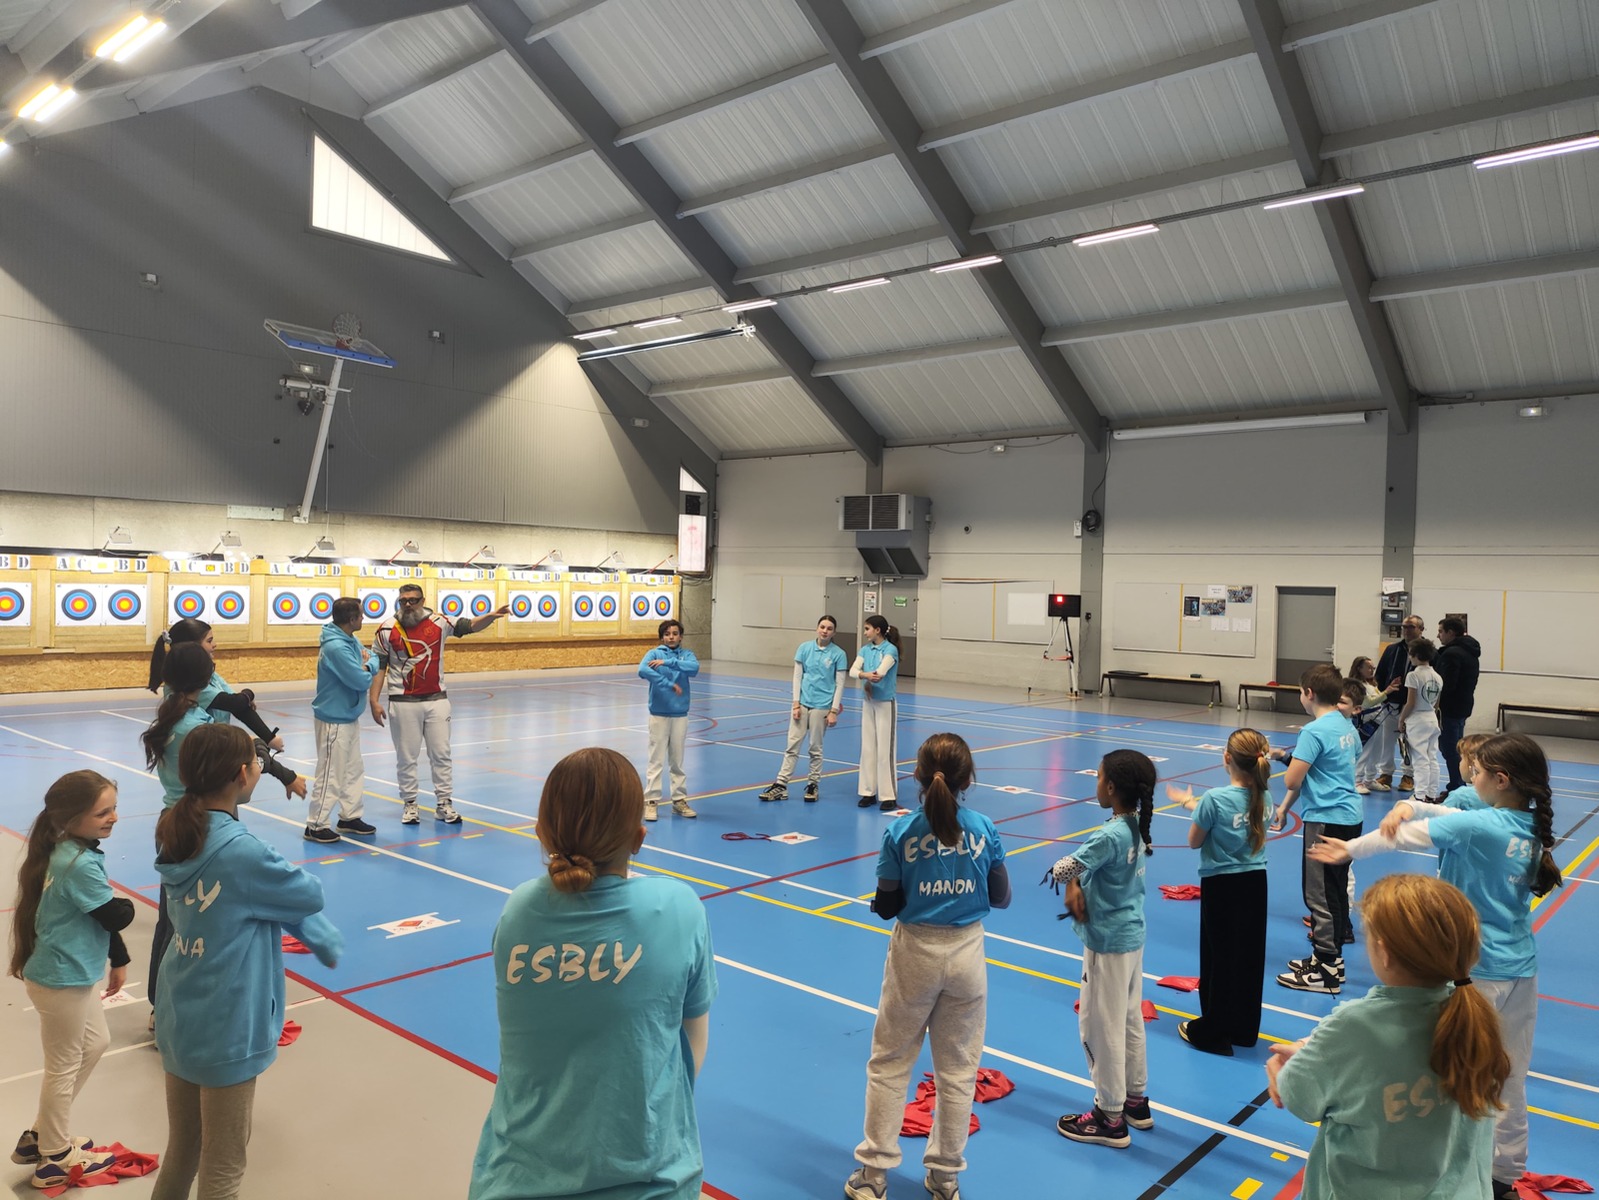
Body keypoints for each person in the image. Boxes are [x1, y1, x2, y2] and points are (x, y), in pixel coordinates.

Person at [1308, 733, 1561, 1200]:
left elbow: (1406, 837)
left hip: (1478, 971)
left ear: (1501, 780)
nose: (1472, 777)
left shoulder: (1481, 827)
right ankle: (1505, 1173)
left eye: (1478, 772)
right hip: (1522, 967)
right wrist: (1413, 806)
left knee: (1458, 1073)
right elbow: (1450, 815)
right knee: (1510, 1074)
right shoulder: (1527, 822)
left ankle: (1451, 1170)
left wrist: (1349, 850)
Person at [469, 748, 717, 1200]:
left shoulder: (519, 911)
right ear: (639, 838)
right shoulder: (678, 907)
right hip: (653, 1180)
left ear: (541, 832)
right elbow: (693, 1042)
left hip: (514, 1178)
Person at [151, 724, 342, 1200]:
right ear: (243, 774)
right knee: (224, 1169)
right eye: (257, 762)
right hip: (227, 1026)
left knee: (183, 1151)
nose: (259, 767)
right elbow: (308, 895)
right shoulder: (243, 852)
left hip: (180, 1013)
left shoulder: (175, 831)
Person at [1267, 874, 1510, 1200]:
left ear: (1384, 952)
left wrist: (1283, 1071)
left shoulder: (1353, 1026)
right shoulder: (1474, 1017)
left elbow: (1300, 1098)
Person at [846, 733, 1011, 1200]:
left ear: (917, 776)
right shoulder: (984, 828)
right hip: (967, 955)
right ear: (968, 779)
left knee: (890, 1062)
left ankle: (873, 1175)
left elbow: (887, 903)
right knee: (958, 1071)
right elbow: (1001, 897)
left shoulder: (900, 832)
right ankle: (945, 1176)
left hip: (915, 954)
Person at [141, 644, 305, 1016]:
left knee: (174, 920)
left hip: (178, 820)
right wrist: (264, 755)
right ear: (205, 678)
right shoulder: (195, 728)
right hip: (199, 825)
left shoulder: (175, 715)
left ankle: (164, 1005)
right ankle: (168, 1008)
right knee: (186, 922)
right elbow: (239, 763)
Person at [7, 772, 128, 1189]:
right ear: (71, 818)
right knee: (63, 1066)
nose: (114, 817)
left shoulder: (69, 851)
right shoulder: (76, 864)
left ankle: (41, 1134)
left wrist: (118, 957)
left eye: (114, 808)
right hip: (60, 979)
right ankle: (55, 1158)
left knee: (96, 1042)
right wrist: (134, 905)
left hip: (72, 973)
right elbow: (113, 914)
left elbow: (98, 914)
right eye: (102, 812)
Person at [1046, 749, 1156, 1149]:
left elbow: (1062, 869)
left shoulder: (1109, 835)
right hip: (1131, 937)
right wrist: (1080, 881)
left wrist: (1072, 881)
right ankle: (1134, 1100)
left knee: (1100, 1025)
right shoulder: (1136, 826)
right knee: (1128, 1019)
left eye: (1097, 777)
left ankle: (1110, 1116)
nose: (1094, 783)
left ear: (1110, 787)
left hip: (1107, 943)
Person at [1164, 728, 1270, 1056]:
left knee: (1219, 957)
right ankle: (1243, 1029)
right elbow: (1230, 815)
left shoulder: (1214, 799)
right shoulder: (1263, 796)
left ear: (1227, 758)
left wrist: (1193, 806)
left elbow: (1194, 840)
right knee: (1248, 957)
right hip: (1256, 883)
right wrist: (1189, 803)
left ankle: (1212, 1030)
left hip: (1222, 885)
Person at [368, 583, 509, 825]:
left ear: (422, 601)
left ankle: (444, 804)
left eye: (413, 600)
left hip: (437, 700)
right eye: (403, 601)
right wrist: (373, 700)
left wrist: (491, 616)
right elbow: (379, 667)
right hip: (402, 702)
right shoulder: (386, 629)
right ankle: (410, 804)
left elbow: (469, 626)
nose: (408, 604)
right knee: (406, 757)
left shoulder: (439, 622)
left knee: (441, 754)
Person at [1269, 664, 1362, 995]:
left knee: (1320, 894)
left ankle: (1326, 970)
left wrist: (1285, 763)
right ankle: (1330, 960)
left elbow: (1293, 780)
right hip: (1350, 816)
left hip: (1325, 818)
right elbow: (1328, 769)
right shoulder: (1346, 725)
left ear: (1308, 694)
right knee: (1336, 890)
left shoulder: (1313, 731)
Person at [305, 596, 380, 844]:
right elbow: (360, 680)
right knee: (331, 773)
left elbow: (372, 655)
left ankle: (349, 817)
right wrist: (368, 668)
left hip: (348, 717)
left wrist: (368, 664)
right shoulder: (336, 647)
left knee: (353, 770)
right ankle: (316, 824)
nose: (363, 618)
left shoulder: (349, 639)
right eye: (361, 615)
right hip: (334, 721)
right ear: (352, 619)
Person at [149, 618, 285, 752]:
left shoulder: (208, 674)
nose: (215, 645)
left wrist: (269, 738)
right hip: (202, 750)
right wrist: (248, 694)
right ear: (193, 647)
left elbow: (239, 706)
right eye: (209, 641)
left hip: (214, 746)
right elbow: (234, 702)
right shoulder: (187, 681)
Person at [758, 616, 848, 804]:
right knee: (792, 745)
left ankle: (813, 784)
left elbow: (839, 684)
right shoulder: (804, 648)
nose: (825, 631)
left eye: (829, 628)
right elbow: (797, 677)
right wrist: (796, 704)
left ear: (834, 632)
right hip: (803, 703)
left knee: (815, 747)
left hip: (822, 706)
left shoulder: (839, 654)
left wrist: (833, 711)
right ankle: (781, 785)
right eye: (822, 627)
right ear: (817, 628)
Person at [638, 619, 700, 822]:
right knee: (655, 760)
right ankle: (651, 801)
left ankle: (679, 800)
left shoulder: (686, 655)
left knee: (677, 761)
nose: (671, 637)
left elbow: (694, 668)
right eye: (667, 634)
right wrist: (666, 683)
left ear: (680, 636)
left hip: (680, 715)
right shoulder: (654, 654)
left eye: (674, 633)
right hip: (659, 714)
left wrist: (669, 663)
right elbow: (643, 670)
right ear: (662, 637)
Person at [852, 616, 902, 813]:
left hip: (885, 703)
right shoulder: (865, 650)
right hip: (868, 702)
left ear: (878, 630)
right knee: (868, 747)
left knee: (885, 750)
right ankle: (868, 792)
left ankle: (888, 795)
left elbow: (879, 673)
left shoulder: (890, 650)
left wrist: (864, 676)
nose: (865, 632)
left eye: (867, 629)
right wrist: (865, 676)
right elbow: (853, 670)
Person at [1371, 615, 1426, 792]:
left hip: (1415, 706)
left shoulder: (1428, 651)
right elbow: (1380, 674)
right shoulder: (1392, 650)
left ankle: (1408, 775)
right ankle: (1386, 773)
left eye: (1411, 627)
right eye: (1404, 627)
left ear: (1421, 629)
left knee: (1410, 742)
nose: (1406, 630)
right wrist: (1385, 693)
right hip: (1392, 705)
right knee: (1387, 741)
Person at [1435, 617, 1482, 794]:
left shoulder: (1452, 654)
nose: (1438, 635)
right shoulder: (1470, 651)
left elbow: (1446, 685)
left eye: (1441, 631)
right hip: (1463, 706)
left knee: (1450, 748)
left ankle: (1457, 785)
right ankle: (1458, 782)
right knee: (1457, 747)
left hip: (1450, 708)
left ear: (1451, 632)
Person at [1398, 638, 1444, 802]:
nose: (1410, 657)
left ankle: (1419, 795)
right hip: (1432, 718)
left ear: (1416, 655)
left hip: (1417, 719)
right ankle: (1431, 794)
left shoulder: (1413, 675)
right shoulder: (1437, 677)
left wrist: (1401, 719)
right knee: (1432, 757)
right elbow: (1436, 704)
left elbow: (1411, 702)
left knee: (1420, 759)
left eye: (1411, 654)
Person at [1348, 656, 1387, 794]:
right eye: (1369, 667)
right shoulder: (1357, 686)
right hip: (1366, 721)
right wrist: (1387, 692)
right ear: (1359, 668)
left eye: (1373, 668)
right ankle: (1357, 780)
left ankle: (1369, 779)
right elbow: (1367, 703)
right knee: (1365, 752)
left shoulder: (1371, 685)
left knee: (1377, 751)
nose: (1372, 670)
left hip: (1379, 719)